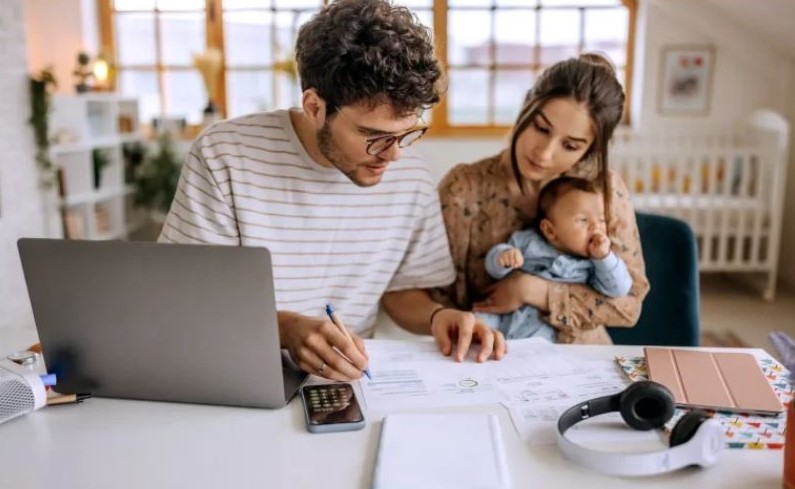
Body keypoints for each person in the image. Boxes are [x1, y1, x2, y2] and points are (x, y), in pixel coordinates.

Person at [158, 0, 506, 382]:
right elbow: (185, 297)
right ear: (314, 106)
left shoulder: (411, 177)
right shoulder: (225, 154)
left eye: (407, 133)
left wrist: (439, 316)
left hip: (348, 382)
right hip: (237, 370)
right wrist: (284, 329)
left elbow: (401, 292)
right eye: (374, 136)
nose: (394, 155)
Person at [431, 53, 650, 344]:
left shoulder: (605, 190)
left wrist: (532, 290)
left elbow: (629, 305)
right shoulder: (463, 188)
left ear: (590, 149)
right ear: (526, 107)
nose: (544, 154)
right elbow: (431, 297)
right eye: (541, 128)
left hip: (582, 359)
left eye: (570, 146)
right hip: (485, 353)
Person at [477, 176, 633, 341]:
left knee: (539, 344)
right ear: (550, 231)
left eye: (602, 220)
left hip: (543, 325)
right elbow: (492, 270)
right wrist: (503, 258)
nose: (596, 226)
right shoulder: (528, 242)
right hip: (504, 316)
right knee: (477, 323)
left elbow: (619, 289)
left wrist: (604, 258)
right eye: (583, 220)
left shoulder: (594, 265)